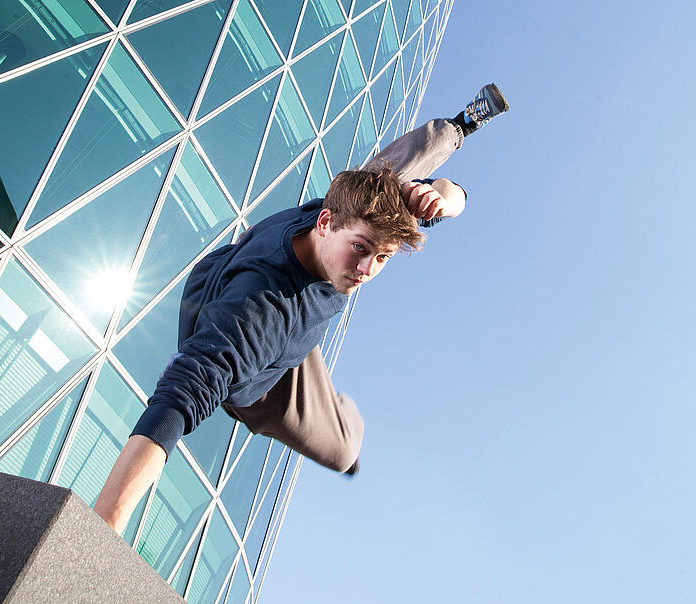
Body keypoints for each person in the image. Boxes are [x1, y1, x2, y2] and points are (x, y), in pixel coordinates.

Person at [94, 84, 509, 534]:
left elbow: (448, 194)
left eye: (383, 258)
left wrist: (445, 198)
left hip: (255, 295)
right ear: (326, 224)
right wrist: (105, 523)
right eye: (362, 250)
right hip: (265, 381)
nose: (367, 270)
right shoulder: (263, 315)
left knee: (396, 175)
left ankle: (461, 125)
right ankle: (342, 425)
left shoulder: (347, 207)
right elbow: (180, 398)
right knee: (344, 447)